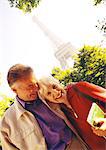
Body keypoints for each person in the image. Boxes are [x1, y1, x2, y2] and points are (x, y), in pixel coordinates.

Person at [0, 64, 88, 150]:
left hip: (75, 145)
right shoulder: (7, 124)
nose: (36, 89)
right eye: (29, 86)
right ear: (14, 90)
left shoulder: (47, 96)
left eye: (36, 83)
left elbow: (69, 98)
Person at [38, 76, 106, 150]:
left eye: (54, 86)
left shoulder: (80, 88)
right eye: (48, 93)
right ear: (48, 100)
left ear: (58, 83)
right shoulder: (62, 113)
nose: (55, 92)